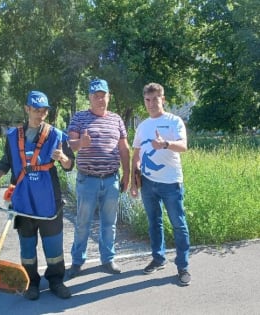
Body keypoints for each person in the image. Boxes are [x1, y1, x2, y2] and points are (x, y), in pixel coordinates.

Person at [0, 90, 75, 300]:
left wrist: (63, 158)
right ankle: (31, 282)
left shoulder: (57, 135)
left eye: (44, 110)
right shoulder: (12, 136)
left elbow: (70, 165)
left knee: (53, 246)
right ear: (27, 109)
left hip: (48, 201)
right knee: (27, 246)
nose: (40, 114)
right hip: (22, 201)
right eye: (36, 109)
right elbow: (5, 162)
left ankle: (55, 280)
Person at [67, 78, 130, 278]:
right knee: (83, 222)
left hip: (111, 179)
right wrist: (81, 143)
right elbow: (69, 144)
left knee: (109, 223)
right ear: (89, 98)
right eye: (96, 96)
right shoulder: (79, 118)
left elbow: (123, 148)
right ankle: (77, 261)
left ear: (109, 97)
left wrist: (127, 174)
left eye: (103, 96)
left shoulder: (117, 119)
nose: (100, 99)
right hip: (88, 180)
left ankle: (108, 259)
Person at [130, 82, 191, 286]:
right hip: (148, 184)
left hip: (171, 183)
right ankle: (158, 258)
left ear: (162, 99)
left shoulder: (174, 121)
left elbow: (183, 146)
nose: (151, 104)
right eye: (147, 100)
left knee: (178, 225)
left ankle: (182, 266)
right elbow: (136, 153)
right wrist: (134, 178)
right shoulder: (143, 125)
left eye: (155, 99)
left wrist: (165, 143)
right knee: (154, 222)